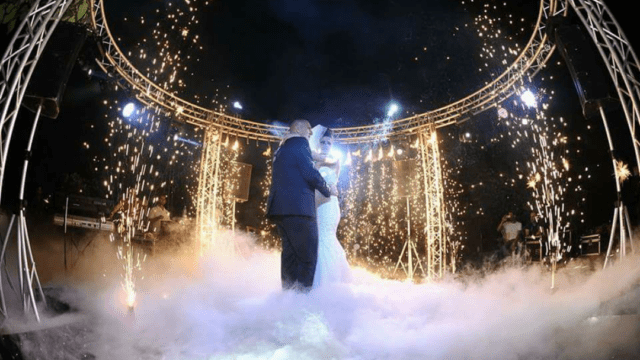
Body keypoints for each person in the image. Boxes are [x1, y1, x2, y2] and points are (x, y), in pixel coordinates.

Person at [266, 119, 337, 291]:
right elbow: (309, 173)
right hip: (299, 210)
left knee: (289, 257)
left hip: (281, 210)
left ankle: (288, 297)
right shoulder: (300, 143)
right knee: (307, 258)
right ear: (298, 129)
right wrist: (327, 188)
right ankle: (303, 301)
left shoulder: (282, 148)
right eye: (308, 130)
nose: (310, 133)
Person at [310, 127, 351, 288]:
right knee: (319, 237)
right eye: (323, 142)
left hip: (331, 205)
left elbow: (334, 183)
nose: (326, 145)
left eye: (329, 142)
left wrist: (331, 189)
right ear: (318, 143)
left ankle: (330, 282)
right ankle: (318, 281)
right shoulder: (313, 160)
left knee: (328, 236)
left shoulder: (335, 161)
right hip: (318, 203)